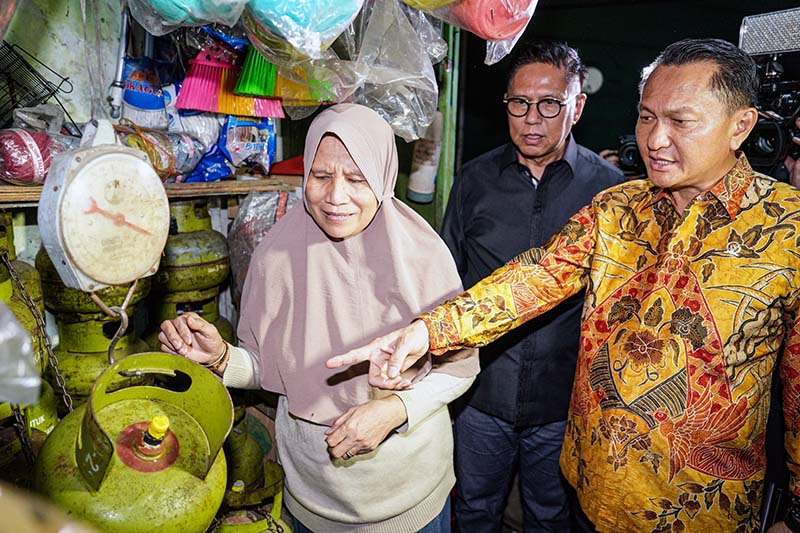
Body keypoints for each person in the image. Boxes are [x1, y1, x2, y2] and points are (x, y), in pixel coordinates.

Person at [327, 39, 800, 533]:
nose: (655, 140)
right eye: (645, 117)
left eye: (680, 122)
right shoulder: (617, 208)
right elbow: (532, 278)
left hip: (705, 512)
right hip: (591, 495)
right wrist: (423, 333)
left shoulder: (787, 230)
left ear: (740, 126)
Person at [160, 103, 479, 533]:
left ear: (384, 178)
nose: (336, 197)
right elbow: (267, 368)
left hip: (408, 501)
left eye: (357, 178)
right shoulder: (278, 254)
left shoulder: (422, 255)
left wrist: (396, 410)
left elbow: (461, 368)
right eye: (322, 176)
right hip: (313, 499)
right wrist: (221, 359)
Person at [440, 40, 623, 532]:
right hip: (481, 397)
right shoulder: (474, 180)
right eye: (519, 104)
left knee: (550, 515)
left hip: (562, 403)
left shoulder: (609, 192)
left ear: (577, 106)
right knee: (475, 510)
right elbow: (445, 280)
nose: (532, 119)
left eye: (550, 104)